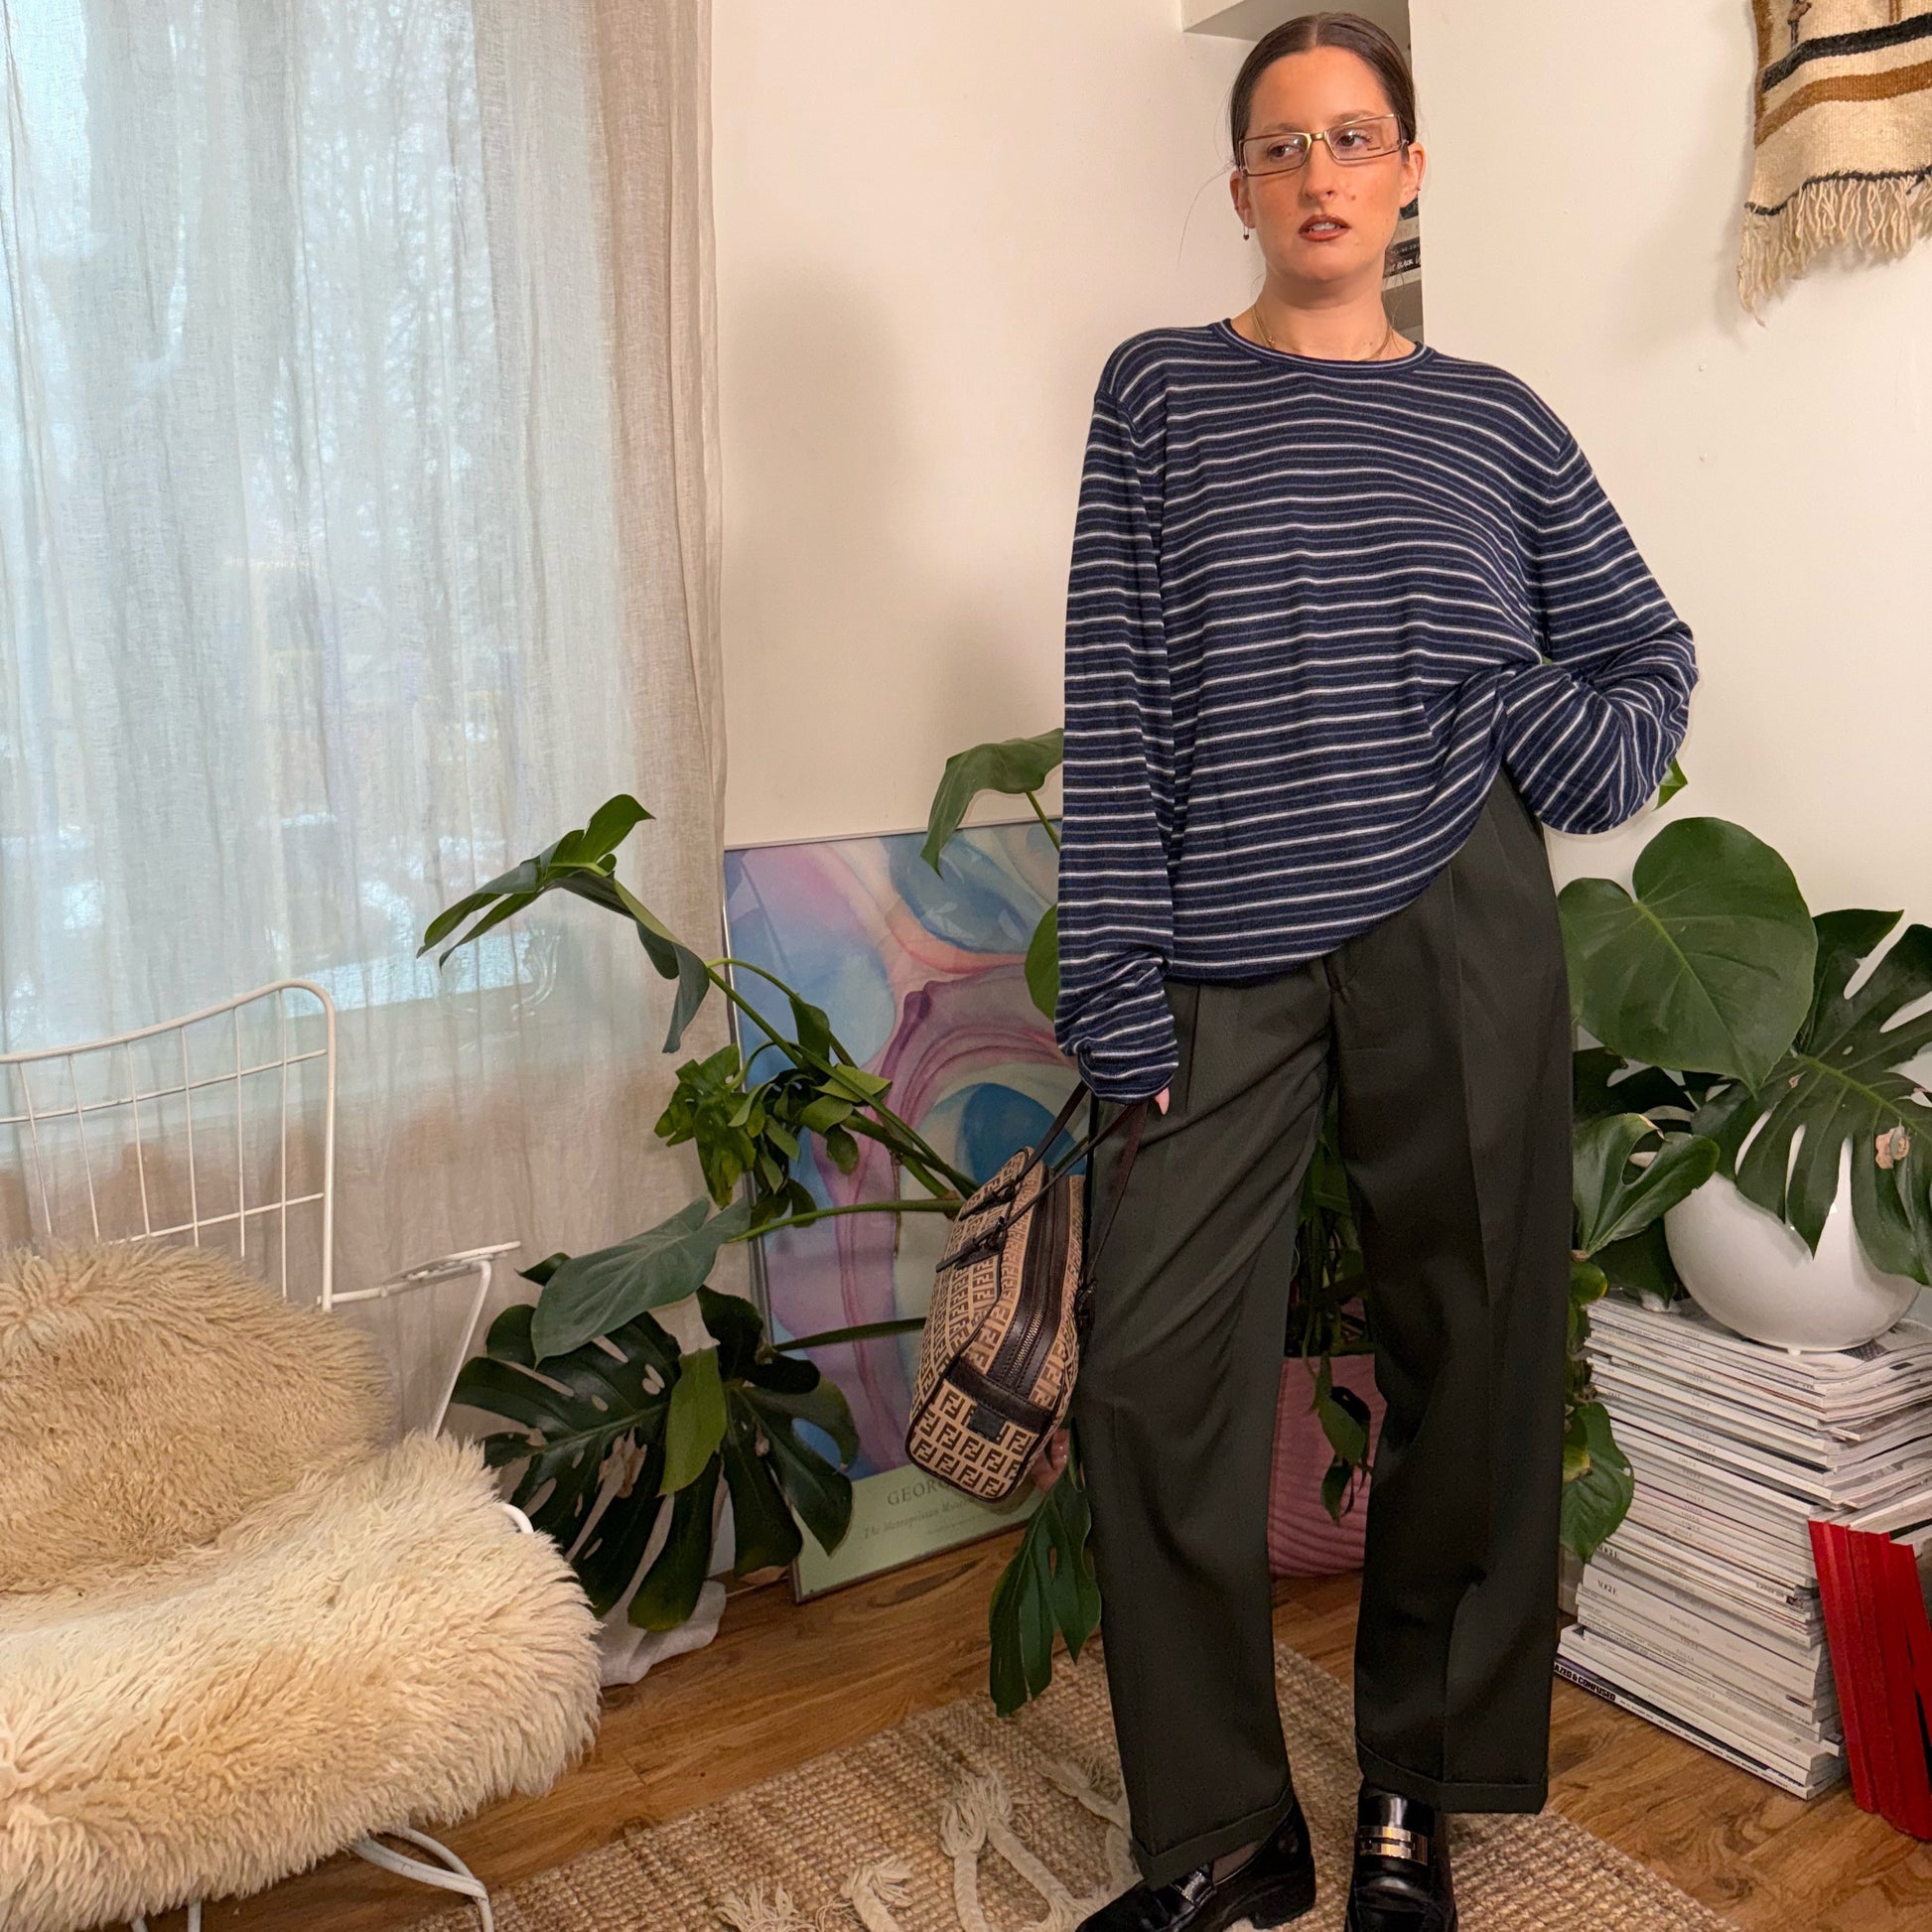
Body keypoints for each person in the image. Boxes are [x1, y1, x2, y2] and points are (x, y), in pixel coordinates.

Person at [1037, 14, 1700, 1932]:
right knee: (1149, 1377)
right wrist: (1117, 981)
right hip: (1225, 939)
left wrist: (1520, 710)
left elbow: (1644, 665)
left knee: (1473, 1357)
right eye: (1280, 144)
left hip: (1455, 916)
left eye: (1352, 139)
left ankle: (1413, 1786)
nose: (1317, 174)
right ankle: (1226, 1834)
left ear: (1409, 172)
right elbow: (1117, 694)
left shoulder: (1496, 420)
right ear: (1240, 185)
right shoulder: (1158, 391)